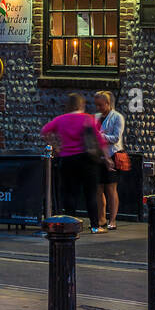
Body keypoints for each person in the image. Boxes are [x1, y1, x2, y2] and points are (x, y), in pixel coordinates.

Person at [42, 93, 109, 233]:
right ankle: (95, 226)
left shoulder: (60, 120)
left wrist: (55, 145)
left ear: (68, 105)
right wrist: (107, 159)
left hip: (67, 160)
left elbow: (44, 131)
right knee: (91, 194)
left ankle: (70, 226)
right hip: (87, 161)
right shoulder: (88, 119)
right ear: (81, 105)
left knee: (69, 193)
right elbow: (100, 140)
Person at [95, 90, 125, 231]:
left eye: (100, 105)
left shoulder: (117, 117)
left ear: (108, 103)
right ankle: (101, 218)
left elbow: (116, 138)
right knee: (98, 188)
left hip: (113, 155)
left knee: (111, 188)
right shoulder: (95, 117)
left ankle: (112, 220)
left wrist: (101, 136)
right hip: (99, 155)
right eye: (97, 105)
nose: (98, 108)